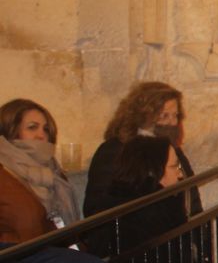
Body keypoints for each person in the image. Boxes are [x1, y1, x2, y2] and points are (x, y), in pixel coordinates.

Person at [86, 82, 197, 217]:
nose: (173, 123)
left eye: (175, 115)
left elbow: (191, 195)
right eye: (164, 116)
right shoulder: (113, 151)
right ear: (143, 117)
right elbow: (96, 206)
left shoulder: (173, 150)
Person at [0, 99, 79, 241]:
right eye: (32, 127)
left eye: (46, 129)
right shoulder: (4, 174)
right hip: (17, 257)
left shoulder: (54, 171)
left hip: (54, 250)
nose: (41, 135)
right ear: (10, 130)